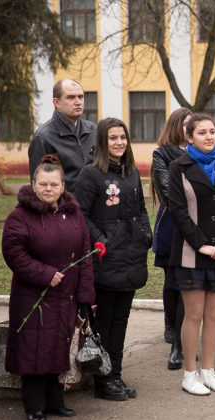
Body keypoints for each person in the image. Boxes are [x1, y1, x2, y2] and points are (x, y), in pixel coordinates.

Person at [3, 155, 95, 420]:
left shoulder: (74, 214)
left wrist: (85, 295)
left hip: (65, 295)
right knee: (34, 348)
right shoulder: (20, 216)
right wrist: (44, 274)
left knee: (57, 345)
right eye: (43, 184)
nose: (48, 189)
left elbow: (85, 255)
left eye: (54, 184)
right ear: (33, 185)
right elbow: (13, 252)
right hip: (34, 295)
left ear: (63, 186)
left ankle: (55, 401)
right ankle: (34, 406)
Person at [74, 118, 152, 401]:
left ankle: (115, 374)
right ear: (102, 142)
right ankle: (103, 380)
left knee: (121, 319)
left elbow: (141, 209)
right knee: (105, 320)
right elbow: (80, 213)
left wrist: (146, 234)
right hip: (106, 259)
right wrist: (100, 240)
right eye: (113, 138)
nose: (119, 143)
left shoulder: (131, 171)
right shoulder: (90, 174)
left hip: (131, 256)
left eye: (123, 137)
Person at [168, 113, 215, 395]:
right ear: (189, 137)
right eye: (202, 132)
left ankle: (209, 372)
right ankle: (190, 375)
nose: (209, 136)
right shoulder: (179, 166)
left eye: (212, 131)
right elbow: (177, 210)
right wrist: (201, 244)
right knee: (194, 314)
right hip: (191, 252)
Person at [150, 107, 192, 370]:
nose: (190, 129)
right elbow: (166, 190)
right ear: (176, 125)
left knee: (188, 283)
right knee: (171, 280)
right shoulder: (162, 153)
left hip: (198, 223)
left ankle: (182, 337)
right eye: (186, 124)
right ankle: (172, 327)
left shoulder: (201, 152)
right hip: (172, 223)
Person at [28, 79, 97, 192]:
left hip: (94, 202)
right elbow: (39, 187)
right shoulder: (43, 137)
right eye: (71, 97)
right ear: (57, 103)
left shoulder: (93, 130)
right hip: (65, 202)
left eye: (80, 97)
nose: (78, 102)